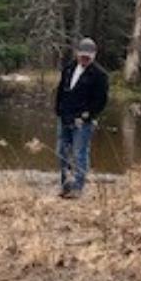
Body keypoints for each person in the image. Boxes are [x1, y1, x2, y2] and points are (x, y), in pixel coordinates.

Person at [54, 37, 109, 198]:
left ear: (94, 56)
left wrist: (88, 116)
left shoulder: (100, 75)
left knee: (80, 153)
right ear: (77, 53)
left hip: (83, 121)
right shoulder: (69, 68)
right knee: (62, 152)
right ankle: (65, 185)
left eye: (88, 56)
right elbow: (61, 90)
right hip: (65, 117)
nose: (84, 59)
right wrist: (58, 109)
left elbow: (101, 101)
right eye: (82, 55)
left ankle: (77, 187)